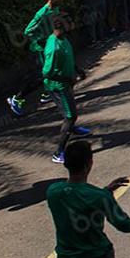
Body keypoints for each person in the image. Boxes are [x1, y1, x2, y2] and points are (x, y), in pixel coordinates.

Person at [7, 0, 67, 117]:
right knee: (40, 76)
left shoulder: (55, 8)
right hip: (39, 49)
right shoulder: (42, 13)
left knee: (54, 71)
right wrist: (41, 39)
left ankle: (47, 93)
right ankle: (17, 99)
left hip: (49, 47)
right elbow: (28, 31)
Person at [42, 20, 92, 163]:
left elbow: (68, 57)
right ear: (61, 28)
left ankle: (72, 128)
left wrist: (77, 70)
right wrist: (67, 80)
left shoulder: (63, 38)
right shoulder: (53, 48)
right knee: (70, 116)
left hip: (65, 83)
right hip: (58, 86)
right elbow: (47, 73)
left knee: (68, 113)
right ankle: (58, 152)